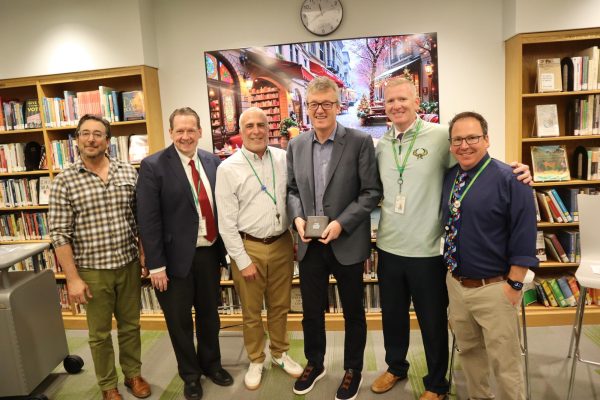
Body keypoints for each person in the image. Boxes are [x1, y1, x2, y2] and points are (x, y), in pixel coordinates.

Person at [372, 77, 531, 400]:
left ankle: (435, 383)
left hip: (429, 250)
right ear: (383, 106)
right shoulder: (381, 145)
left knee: (433, 322)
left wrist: (523, 172)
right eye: (390, 101)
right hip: (388, 246)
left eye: (403, 99)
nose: (397, 106)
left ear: (417, 102)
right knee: (392, 316)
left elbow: (476, 161)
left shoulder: (440, 136)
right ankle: (396, 366)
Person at [287, 76, 382, 400]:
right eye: (314, 104)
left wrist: (342, 223)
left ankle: (353, 368)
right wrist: (297, 217)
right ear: (307, 108)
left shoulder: (359, 142)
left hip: (346, 242)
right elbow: (291, 190)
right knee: (311, 312)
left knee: (353, 312)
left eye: (327, 104)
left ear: (339, 106)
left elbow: (371, 192)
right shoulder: (296, 145)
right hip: (309, 245)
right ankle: (315, 362)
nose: (320, 110)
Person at [49, 114, 151, 400]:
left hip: (128, 264)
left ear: (108, 140)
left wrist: (144, 253)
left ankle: (133, 374)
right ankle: (108, 385)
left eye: (97, 134)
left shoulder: (128, 172)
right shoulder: (64, 182)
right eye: (85, 134)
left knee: (131, 326)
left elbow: (139, 219)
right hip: (92, 271)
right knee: (99, 333)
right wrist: (72, 279)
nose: (91, 139)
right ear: (77, 139)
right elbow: (59, 234)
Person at [136, 107, 233, 400]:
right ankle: (190, 376)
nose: (186, 136)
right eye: (180, 130)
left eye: (191, 130)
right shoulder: (153, 166)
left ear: (200, 131)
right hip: (172, 259)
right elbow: (148, 219)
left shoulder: (213, 161)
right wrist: (156, 266)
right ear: (171, 133)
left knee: (209, 316)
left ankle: (212, 365)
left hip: (208, 253)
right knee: (179, 322)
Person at [442, 111, 538, 400]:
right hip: (457, 284)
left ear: (486, 139)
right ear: (450, 145)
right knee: (469, 352)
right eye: (457, 139)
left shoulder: (512, 179)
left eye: (472, 137)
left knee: (504, 362)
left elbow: (524, 236)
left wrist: (515, 285)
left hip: (495, 288)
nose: (464, 145)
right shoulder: (451, 177)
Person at [215, 107, 303, 390]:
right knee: (251, 311)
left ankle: (279, 353)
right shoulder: (227, 168)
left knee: (280, 306)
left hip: (281, 243)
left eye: (261, 125)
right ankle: (256, 358)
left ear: (269, 128)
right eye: (249, 126)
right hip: (248, 246)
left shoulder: (283, 158)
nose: (256, 130)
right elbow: (226, 223)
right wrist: (242, 261)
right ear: (241, 132)